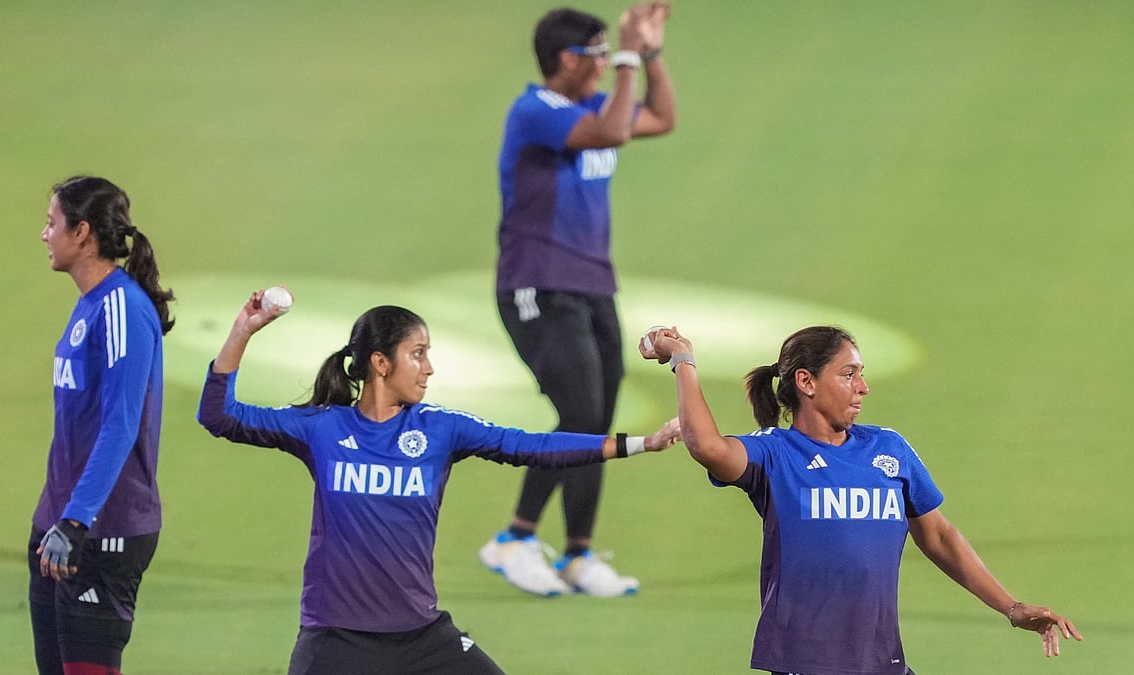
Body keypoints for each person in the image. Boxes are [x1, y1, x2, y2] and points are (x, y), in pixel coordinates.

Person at [196, 293, 679, 675]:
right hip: (335, 641)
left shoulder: (440, 429)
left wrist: (638, 444)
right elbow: (219, 415)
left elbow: (530, 446)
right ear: (381, 363)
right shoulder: (321, 427)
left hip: (421, 639)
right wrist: (244, 330)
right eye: (418, 354)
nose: (429, 368)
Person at [638, 324, 1084, 674]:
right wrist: (683, 359)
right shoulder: (775, 453)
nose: (863, 387)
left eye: (861, 374)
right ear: (806, 382)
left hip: (881, 659)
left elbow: (939, 536)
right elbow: (707, 446)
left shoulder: (889, 449)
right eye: (848, 374)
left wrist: (1011, 607)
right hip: (807, 663)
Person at [481, 1, 677, 598]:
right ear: (567, 60)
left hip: (594, 286)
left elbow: (661, 118)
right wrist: (627, 57)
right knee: (580, 414)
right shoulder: (535, 111)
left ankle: (577, 553)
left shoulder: (594, 106)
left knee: (596, 421)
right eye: (597, 54)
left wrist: (649, 54)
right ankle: (514, 538)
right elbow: (614, 131)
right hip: (537, 285)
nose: (605, 63)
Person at [30, 176, 175, 675]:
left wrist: (76, 520)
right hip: (59, 526)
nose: (44, 234)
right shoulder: (90, 302)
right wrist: (57, 518)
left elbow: (120, 424)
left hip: (99, 531)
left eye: (52, 223)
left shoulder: (122, 309)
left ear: (82, 232)